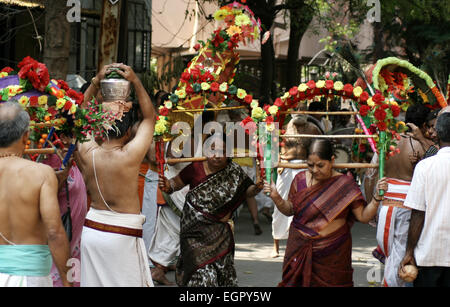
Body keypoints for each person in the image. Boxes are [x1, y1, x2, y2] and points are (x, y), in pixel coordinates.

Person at [264, 139, 388, 287]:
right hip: (299, 248)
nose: (315, 170)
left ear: (332, 160)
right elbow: (290, 210)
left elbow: (363, 216)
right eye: (310, 165)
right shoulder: (300, 179)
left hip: (333, 255)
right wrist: (276, 196)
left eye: (320, 165)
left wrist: (376, 199)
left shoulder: (345, 184)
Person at [75, 63, 156, 287]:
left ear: (99, 128)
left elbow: (81, 118)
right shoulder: (130, 155)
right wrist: (136, 82)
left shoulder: (88, 151)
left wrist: (95, 82)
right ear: (129, 132)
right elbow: (150, 118)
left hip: (92, 232)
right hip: (122, 235)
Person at [159, 133, 264, 287]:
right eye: (212, 150)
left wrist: (256, 188)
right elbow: (176, 184)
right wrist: (167, 186)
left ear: (228, 153)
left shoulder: (234, 171)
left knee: (220, 276)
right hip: (193, 234)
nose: (216, 155)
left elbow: (247, 191)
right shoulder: (195, 168)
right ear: (206, 151)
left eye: (221, 151)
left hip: (219, 236)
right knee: (203, 277)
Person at [0, 101, 71, 287]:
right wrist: (67, 281)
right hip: (32, 277)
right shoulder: (41, 173)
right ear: (26, 137)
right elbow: (55, 232)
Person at [364, 103, 431, 287]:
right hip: (407, 209)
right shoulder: (423, 147)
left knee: (392, 255)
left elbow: (370, 175)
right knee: (399, 256)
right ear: (424, 126)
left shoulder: (388, 143)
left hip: (384, 205)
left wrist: (373, 204)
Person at [399, 113, 450, 286]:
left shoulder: (425, 167)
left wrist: (409, 251)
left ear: (436, 133)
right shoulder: (424, 166)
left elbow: (418, 213)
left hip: (429, 254)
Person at [271, 107, 322, 258]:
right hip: (286, 168)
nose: (299, 111)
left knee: (307, 207)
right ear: (291, 112)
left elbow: (318, 149)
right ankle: (275, 246)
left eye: (302, 109)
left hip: (305, 168)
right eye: (296, 108)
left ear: (306, 112)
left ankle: (303, 245)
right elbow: (270, 146)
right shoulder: (284, 128)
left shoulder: (313, 129)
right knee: (279, 204)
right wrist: (278, 159)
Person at [44, 135, 87, 287]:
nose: (69, 139)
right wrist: (64, 170)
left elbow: (87, 177)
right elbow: (50, 190)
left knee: (74, 259)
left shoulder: (71, 154)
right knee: (60, 258)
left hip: (77, 228)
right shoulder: (50, 157)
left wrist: (74, 153)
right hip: (62, 224)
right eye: (66, 136)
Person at [148, 142, 189, 286]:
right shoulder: (180, 136)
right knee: (175, 232)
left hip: (178, 190)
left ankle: (160, 270)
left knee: (172, 233)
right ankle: (159, 270)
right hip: (174, 191)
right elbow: (172, 157)